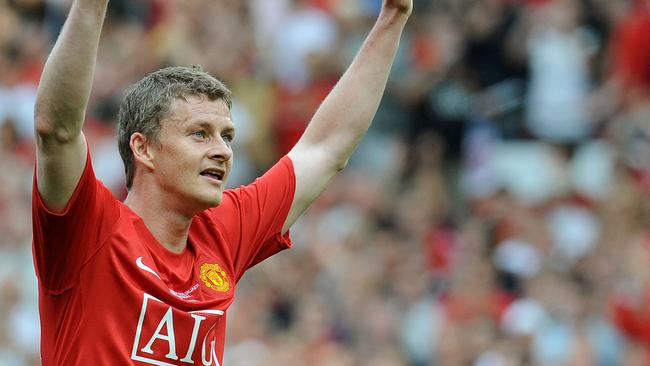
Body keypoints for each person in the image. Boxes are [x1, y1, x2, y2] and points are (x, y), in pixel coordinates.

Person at [31, 0, 412, 364]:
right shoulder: (88, 227)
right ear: (144, 149)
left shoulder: (224, 230)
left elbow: (326, 149)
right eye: (200, 134)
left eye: (226, 136)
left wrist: (393, 17)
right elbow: (57, 129)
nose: (223, 151)